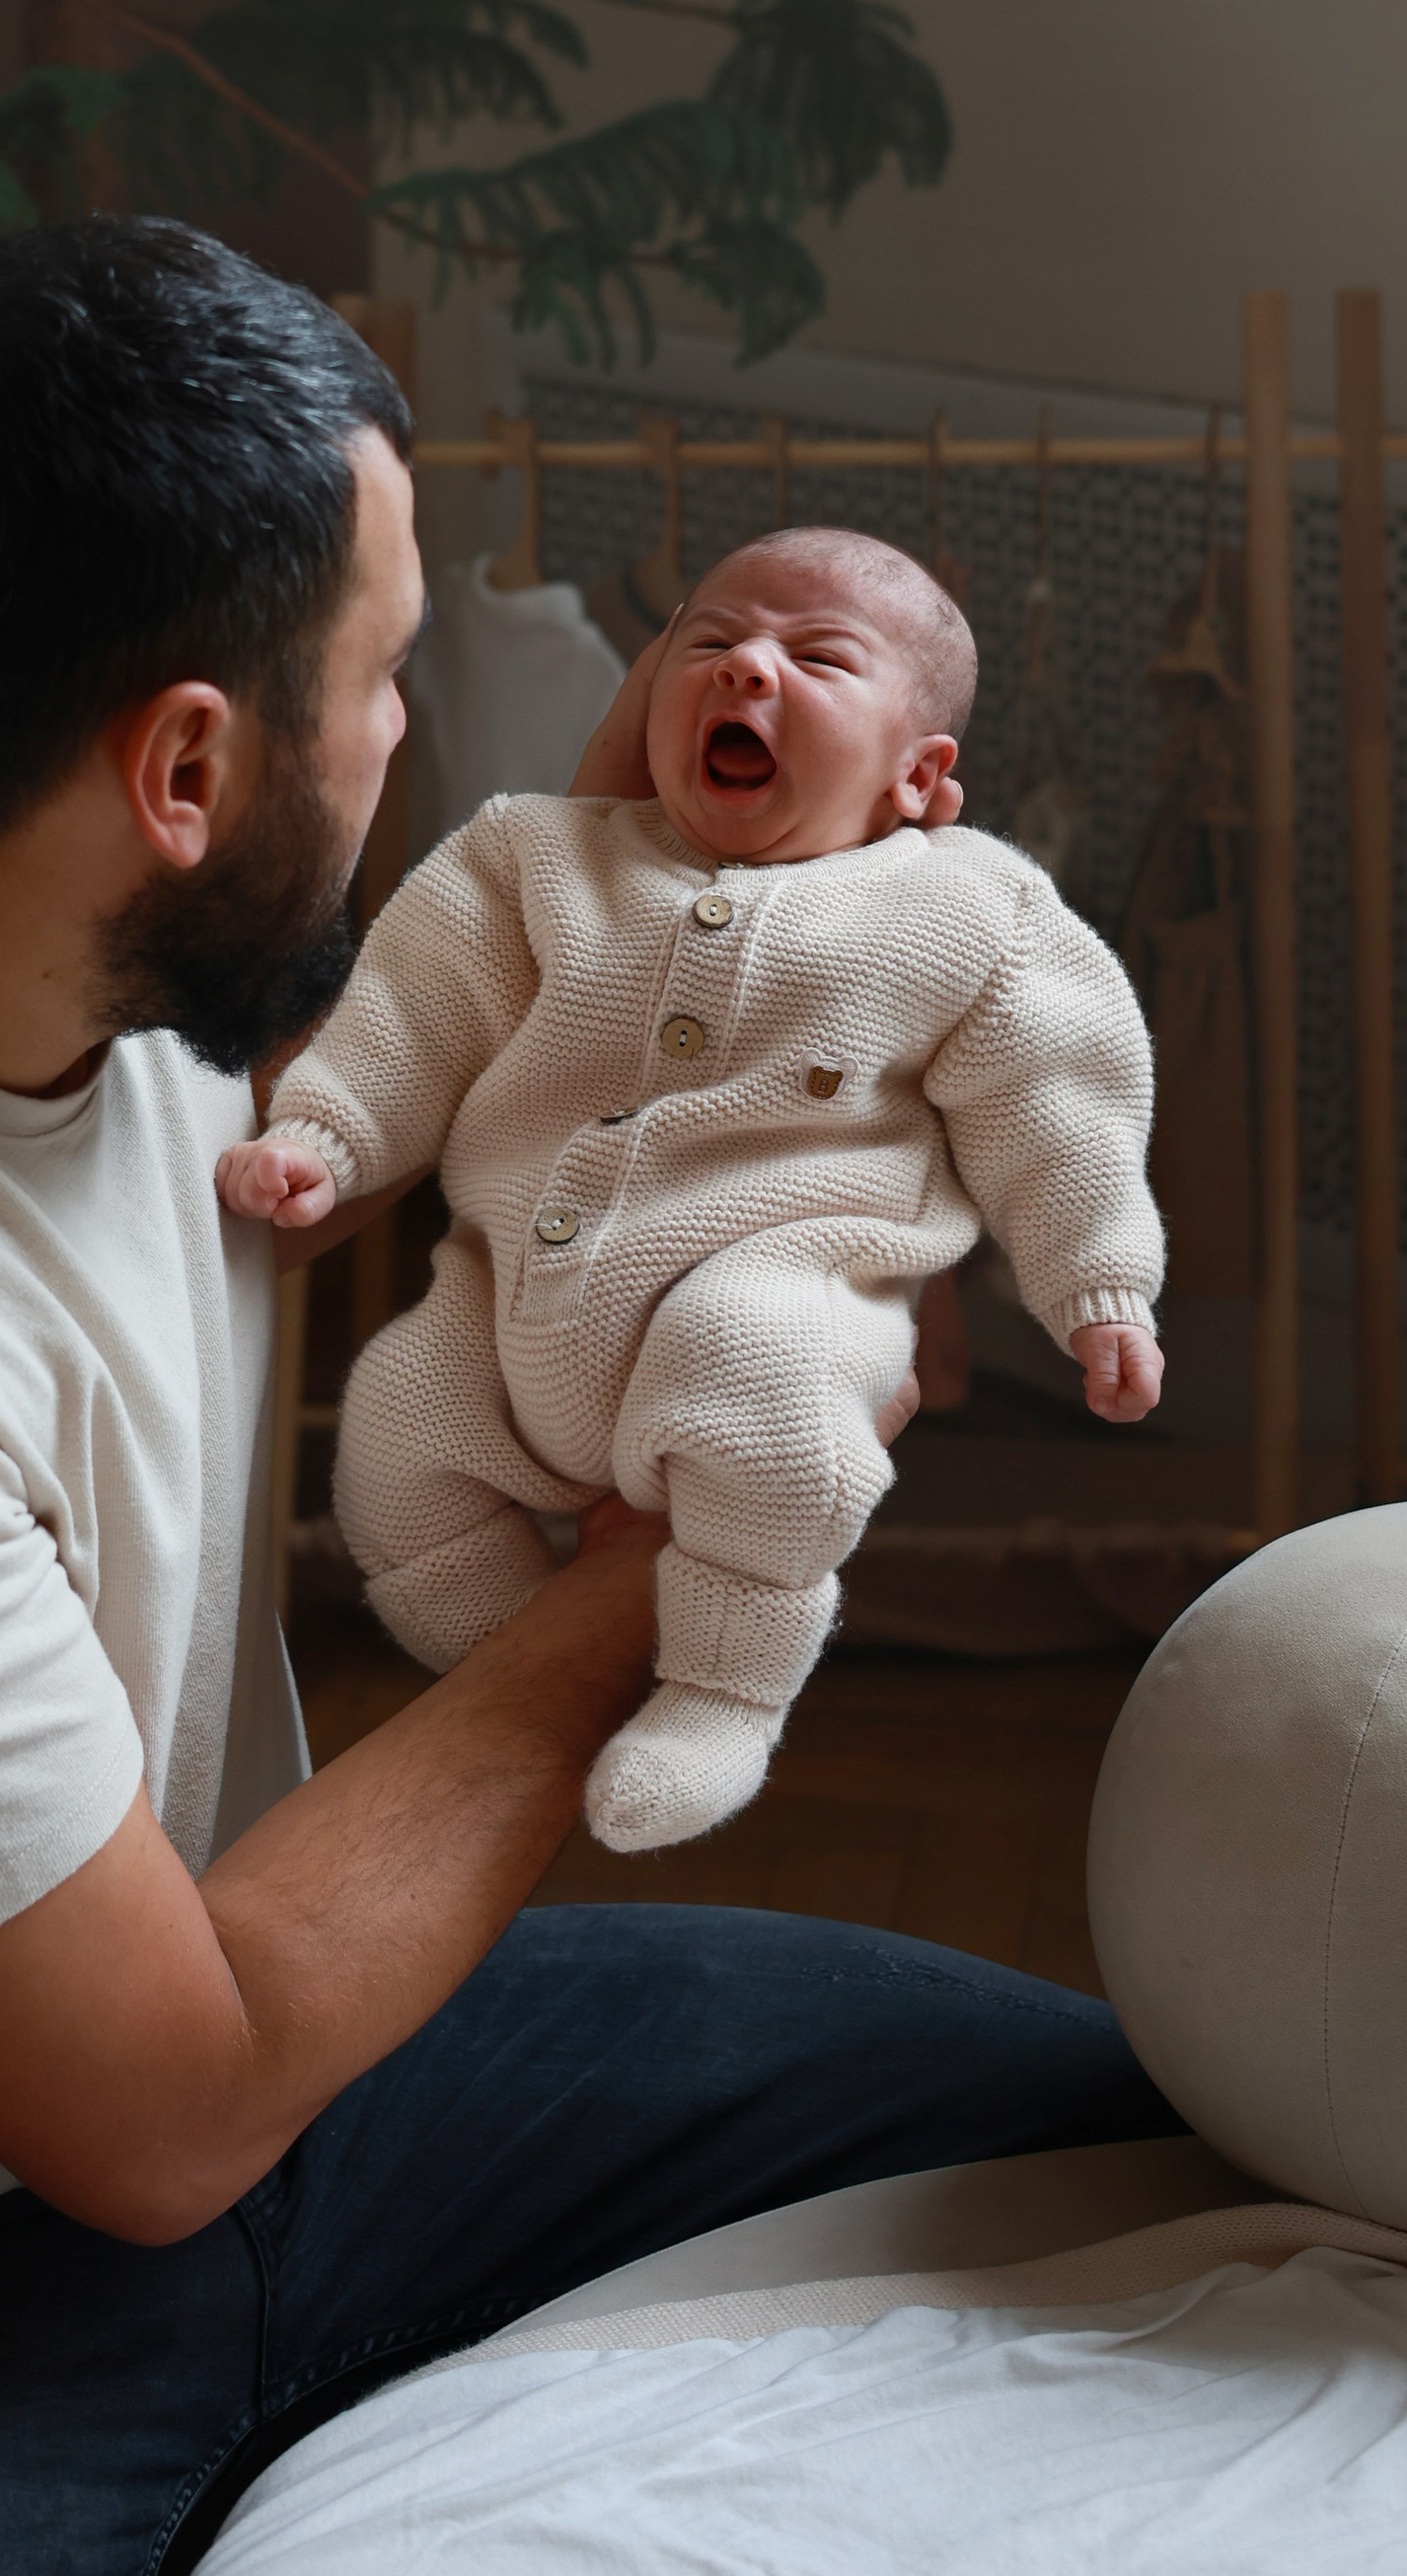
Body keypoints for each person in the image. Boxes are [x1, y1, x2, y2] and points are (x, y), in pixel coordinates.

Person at [0, 221, 1180, 2573]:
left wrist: (750, 1183)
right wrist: (663, 1570)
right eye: (386, 678)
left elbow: (451, 1033)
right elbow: (162, 2104)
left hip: (273, 2048)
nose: (415, 737)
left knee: (1157, 2120)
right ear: (187, 767)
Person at [223, 528, 1164, 1856]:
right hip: (507, 1302)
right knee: (391, 1423)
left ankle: (724, 1693)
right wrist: (326, 1137)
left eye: (818, 660)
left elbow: (1063, 1101)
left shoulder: (967, 909)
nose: (747, 675)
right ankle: (515, 1676)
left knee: (770, 1393)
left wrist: (1098, 1285)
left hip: (778, 1282)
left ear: (921, 774)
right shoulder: (532, 857)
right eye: (709, 645)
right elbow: (410, 1020)